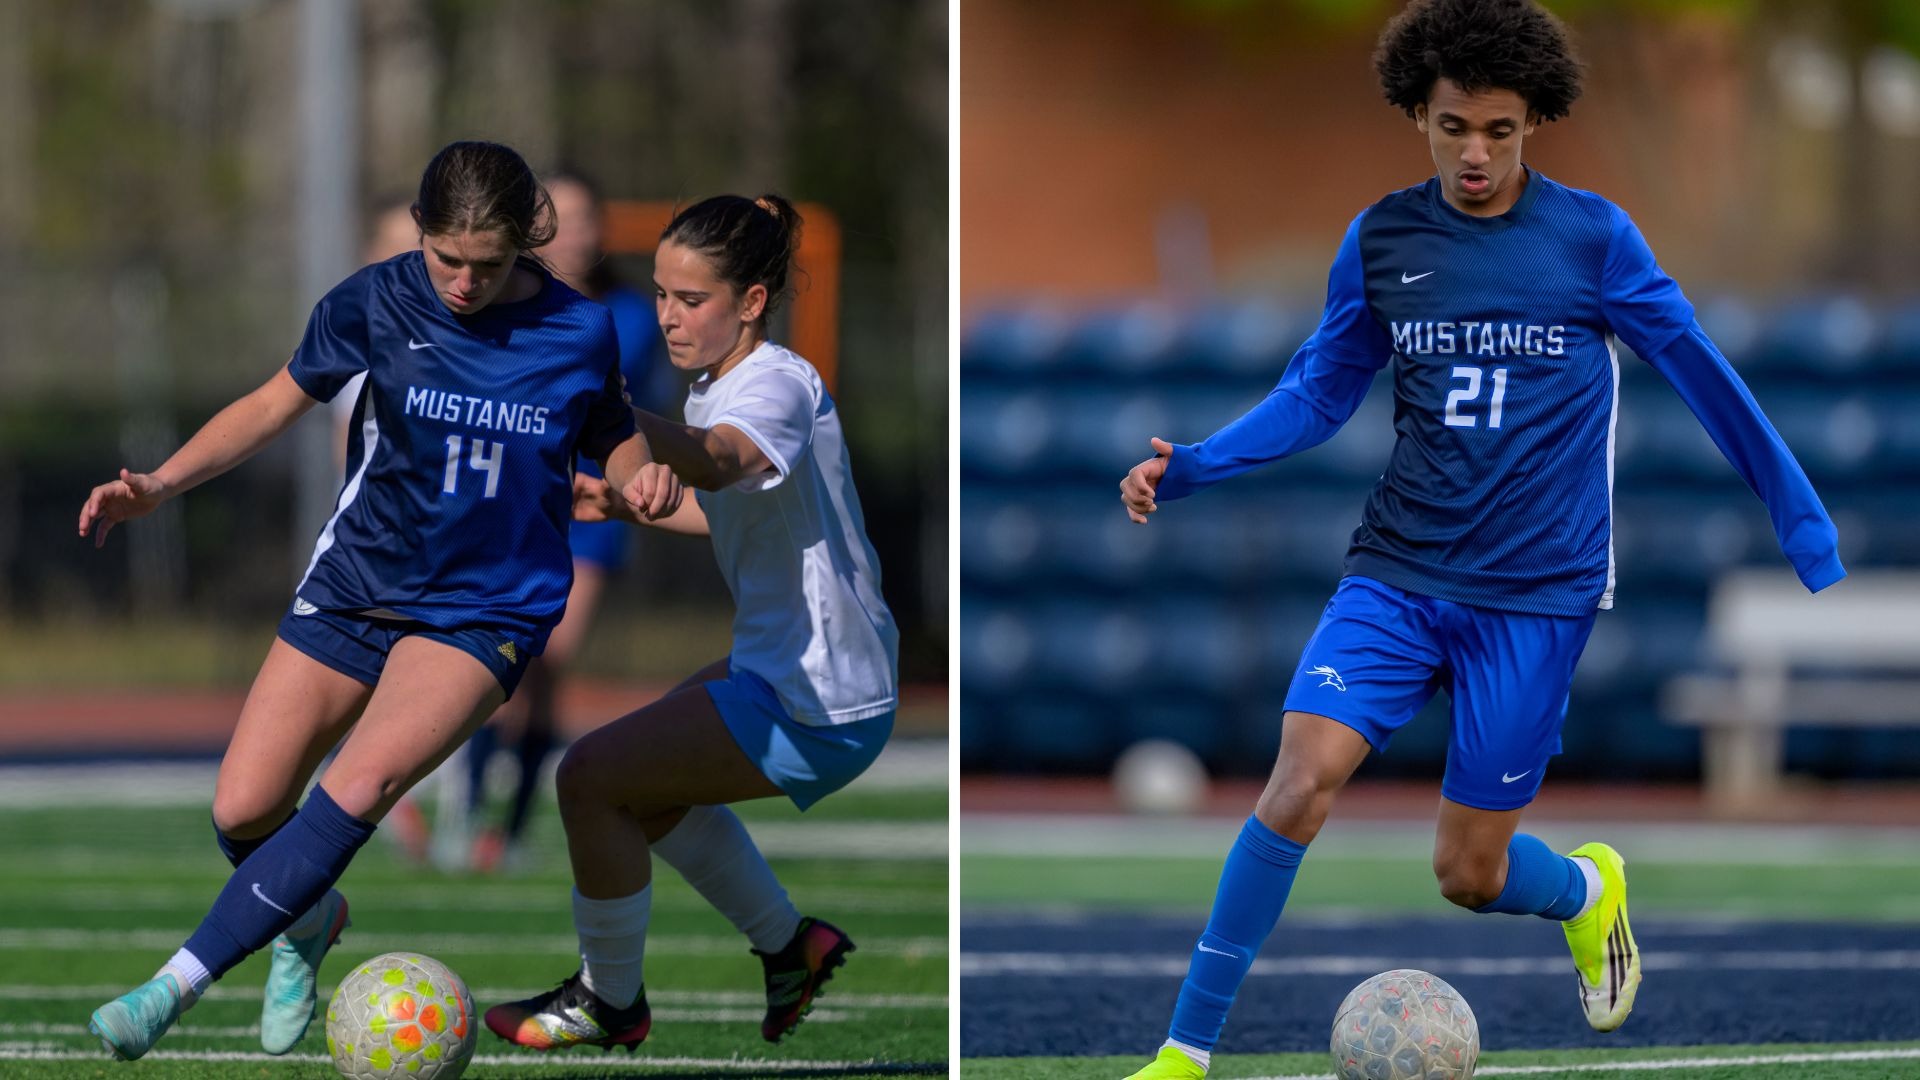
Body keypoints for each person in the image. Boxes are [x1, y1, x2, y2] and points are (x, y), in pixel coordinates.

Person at [1115, 2, 1844, 1077]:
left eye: (1501, 130)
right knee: (1299, 777)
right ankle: (1184, 1055)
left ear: (1534, 124)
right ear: (1419, 114)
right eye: (1455, 125)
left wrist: (1803, 523)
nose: (1476, 152)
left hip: (1537, 595)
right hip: (1398, 570)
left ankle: (1589, 893)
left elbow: (1705, 378)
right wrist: (1196, 469)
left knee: (1468, 872)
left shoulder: (1595, 239)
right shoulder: (1382, 239)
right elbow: (1318, 393)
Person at [77, 139, 681, 1062]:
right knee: (242, 810)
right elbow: (273, 402)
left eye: (488, 264)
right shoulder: (376, 298)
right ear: (418, 233)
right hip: (359, 583)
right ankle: (309, 924)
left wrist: (642, 480)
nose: (465, 284)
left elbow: (614, 438)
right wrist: (160, 484)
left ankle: (173, 986)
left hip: (488, 608)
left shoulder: (581, 329)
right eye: (447, 259)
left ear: (527, 241)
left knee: (353, 786)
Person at [483, 194, 899, 1052]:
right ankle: (792, 949)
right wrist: (620, 504)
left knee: (591, 778)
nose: (670, 317)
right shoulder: (716, 386)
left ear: (751, 302)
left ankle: (611, 1003)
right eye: (663, 296)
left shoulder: (774, 382)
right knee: (641, 787)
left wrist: (602, 416)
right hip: (792, 671)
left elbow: (718, 463)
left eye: (693, 300)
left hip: (821, 694)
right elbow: (732, 509)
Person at [456, 168, 675, 875]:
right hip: (510, 506)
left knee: (545, 661)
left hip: (585, 512)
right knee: (487, 665)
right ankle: (465, 810)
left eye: (586, 216)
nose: (576, 230)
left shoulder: (631, 317)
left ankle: (512, 828)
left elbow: (609, 417)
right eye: (561, 216)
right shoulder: (499, 303)